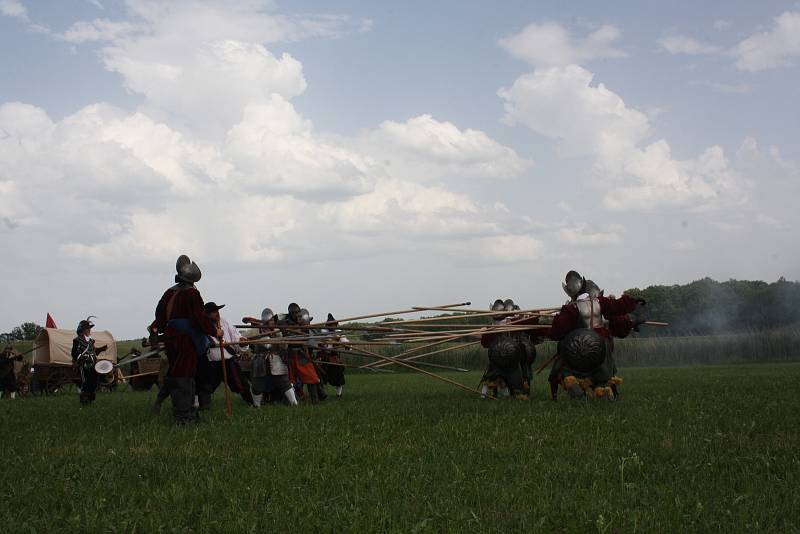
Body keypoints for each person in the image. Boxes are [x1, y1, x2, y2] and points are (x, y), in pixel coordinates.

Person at [547, 272, 644, 400]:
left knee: (563, 370)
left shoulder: (570, 308)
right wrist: (633, 301)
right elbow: (619, 306)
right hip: (601, 344)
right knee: (603, 375)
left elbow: (556, 332)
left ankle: (578, 394)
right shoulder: (600, 302)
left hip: (580, 344)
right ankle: (605, 392)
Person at [150, 255, 221, 424]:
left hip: (171, 337)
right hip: (186, 340)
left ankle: (187, 410)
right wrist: (214, 332)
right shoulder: (192, 294)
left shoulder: (169, 292)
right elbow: (199, 318)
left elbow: (159, 316)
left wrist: (158, 330)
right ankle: (183, 415)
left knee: (178, 372)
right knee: (184, 374)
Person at [197, 302, 254, 409]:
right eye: (213, 312)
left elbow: (235, 336)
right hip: (212, 363)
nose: (217, 313)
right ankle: (202, 407)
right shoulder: (203, 326)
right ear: (207, 315)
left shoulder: (224, 322)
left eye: (217, 311)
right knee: (206, 386)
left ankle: (252, 403)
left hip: (228, 362)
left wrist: (241, 342)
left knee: (241, 384)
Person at [243, 308, 298, 406]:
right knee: (257, 384)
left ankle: (294, 403)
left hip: (275, 359)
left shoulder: (277, 331)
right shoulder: (255, 331)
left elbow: (284, 346)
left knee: (284, 382)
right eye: (271, 320)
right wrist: (245, 344)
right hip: (260, 360)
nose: (273, 322)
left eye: (273, 320)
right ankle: (256, 405)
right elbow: (243, 340)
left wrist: (279, 338)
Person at [479, 299, 527, 400]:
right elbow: (486, 343)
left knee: (507, 375)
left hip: (509, 353)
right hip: (499, 354)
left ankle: (511, 393)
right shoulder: (493, 327)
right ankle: (488, 394)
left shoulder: (512, 322)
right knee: (492, 376)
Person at [71, 317, 108, 405]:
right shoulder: (77, 340)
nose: (89, 330)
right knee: (86, 383)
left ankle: (91, 400)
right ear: (83, 330)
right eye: (88, 328)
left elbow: (94, 352)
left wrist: (101, 349)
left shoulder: (91, 341)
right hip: (83, 365)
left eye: (89, 328)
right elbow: (74, 353)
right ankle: (84, 401)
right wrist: (83, 357)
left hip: (93, 364)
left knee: (93, 382)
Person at [319, 314, 347, 398]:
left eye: (334, 325)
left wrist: (345, 344)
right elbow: (322, 344)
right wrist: (331, 341)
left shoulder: (339, 332)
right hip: (324, 357)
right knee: (321, 376)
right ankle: (322, 393)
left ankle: (339, 394)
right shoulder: (323, 333)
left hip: (334, 357)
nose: (333, 327)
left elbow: (345, 341)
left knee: (338, 375)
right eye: (332, 325)